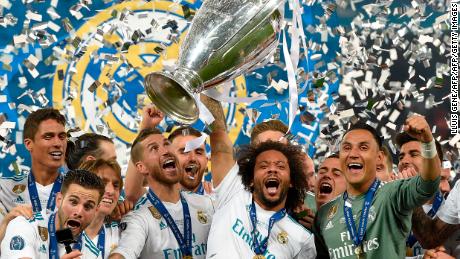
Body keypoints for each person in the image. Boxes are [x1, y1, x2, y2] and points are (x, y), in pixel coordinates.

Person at [314, 115, 441, 259]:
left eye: (363, 147)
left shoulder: (393, 193)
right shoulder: (323, 214)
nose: (353, 154)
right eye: (347, 147)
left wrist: (427, 141)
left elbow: (429, 184)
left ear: (379, 157)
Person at [109, 128, 214, 258]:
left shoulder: (207, 203)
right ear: (141, 167)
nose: (165, 151)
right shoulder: (139, 217)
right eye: (154, 148)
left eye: (166, 144)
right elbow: (124, 252)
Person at [206, 141, 316, 258]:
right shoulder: (233, 192)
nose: (272, 170)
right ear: (251, 179)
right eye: (264, 166)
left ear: (291, 181)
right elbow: (220, 147)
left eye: (280, 166)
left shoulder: (302, 239)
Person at [0, 169, 105, 259]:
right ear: (59, 200)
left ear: (96, 210)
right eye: (73, 202)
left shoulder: (93, 255)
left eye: (88, 206)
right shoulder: (25, 224)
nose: (79, 212)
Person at [0, 108, 67, 215]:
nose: (58, 143)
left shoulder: (80, 190)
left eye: (62, 137)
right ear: (28, 144)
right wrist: (8, 221)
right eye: (48, 137)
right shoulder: (5, 189)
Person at [78, 159, 123, 259]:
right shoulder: (57, 233)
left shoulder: (122, 234)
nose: (111, 191)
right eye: (102, 183)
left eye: (115, 185)